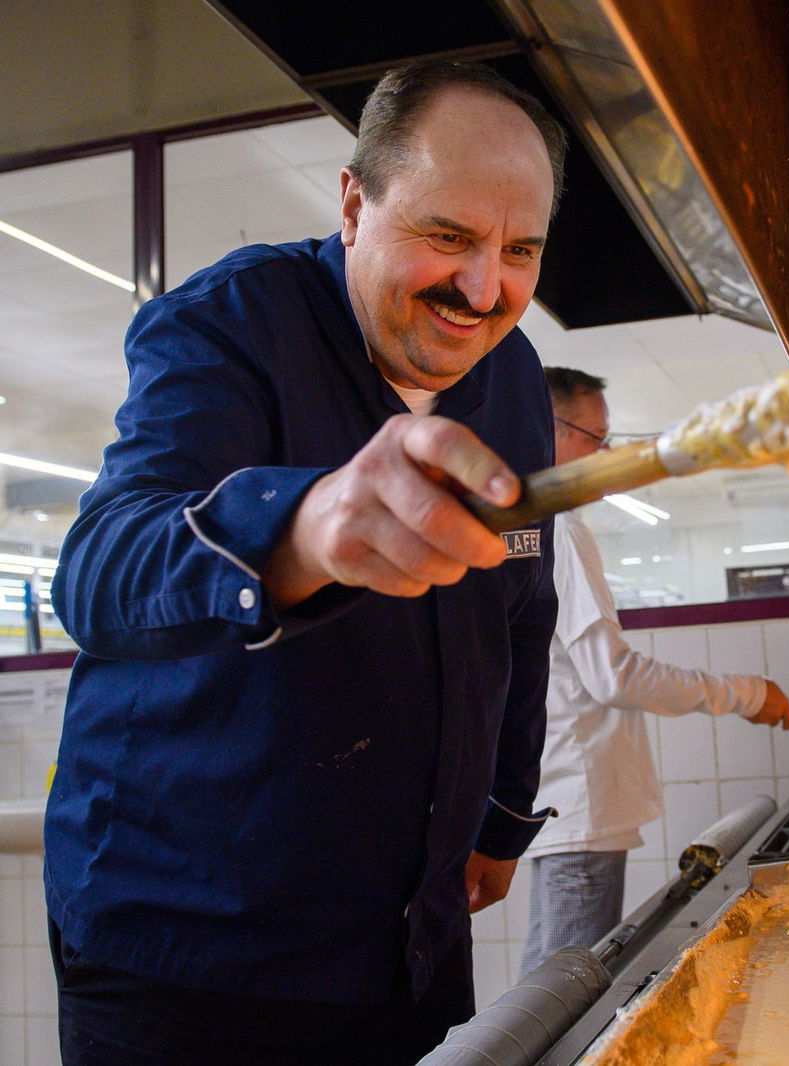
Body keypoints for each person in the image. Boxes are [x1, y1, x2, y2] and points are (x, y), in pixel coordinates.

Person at [44, 60, 569, 1066]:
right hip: (187, 953)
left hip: (394, 942)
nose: (483, 287)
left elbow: (520, 611)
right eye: (448, 235)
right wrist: (305, 526)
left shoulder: (511, 375)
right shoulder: (229, 324)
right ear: (352, 201)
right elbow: (99, 573)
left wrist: (502, 813)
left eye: (520, 250)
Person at [519, 367, 789, 975]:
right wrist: (745, 695)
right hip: (580, 802)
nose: (606, 455)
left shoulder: (552, 530)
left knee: (558, 988)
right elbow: (611, 676)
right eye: (596, 437)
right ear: (551, 428)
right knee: (556, 996)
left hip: (579, 800)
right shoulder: (560, 530)